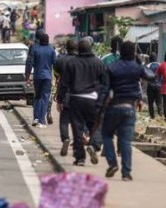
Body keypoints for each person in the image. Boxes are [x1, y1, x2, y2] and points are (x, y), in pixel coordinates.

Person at [101, 42, 156, 181]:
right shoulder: (137, 68)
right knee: (125, 141)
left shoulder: (111, 67)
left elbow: (105, 89)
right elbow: (151, 76)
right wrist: (139, 64)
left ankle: (112, 163)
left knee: (107, 135)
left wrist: (99, 107)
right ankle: (126, 173)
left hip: (113, 107)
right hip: (130, 108)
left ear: (120, 51)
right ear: (133, 53)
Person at [62, 38, 107, 166]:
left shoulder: (71, 63)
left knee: (77, 129)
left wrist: (60, 99)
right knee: (98, 125)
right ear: (91, 48)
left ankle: (80, 157)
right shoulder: (99, 63)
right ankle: (94, 145)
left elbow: (64, 83)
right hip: (93, 100)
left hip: (75, 99)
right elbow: (105, 84)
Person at [25, 32, 56, 127]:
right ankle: (41, 120)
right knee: (45, 98)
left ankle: (36, 118)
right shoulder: (51, 50)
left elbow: (29, 63)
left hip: (37, 76)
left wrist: (27, 76)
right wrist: (58, 78)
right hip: (47, 77)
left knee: (37, 97)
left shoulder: (34, 48)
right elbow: (55, 64)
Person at [54, 39, 77, 156]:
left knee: (64, 120)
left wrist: (59, 99)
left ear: (66, 48)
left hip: (66, 96)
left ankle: (65, 138)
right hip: (79, 96)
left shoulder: (61, 60)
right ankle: (78, 143)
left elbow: (58, 77)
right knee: (77, 122)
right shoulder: (81, 61)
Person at [145, 52, 162, 120]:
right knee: (159, 101)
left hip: (150, 86)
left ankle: (152, 117)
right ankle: (160, 116)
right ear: (156, 58)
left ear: (150, 58)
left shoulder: (148, 65)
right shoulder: (160, 65)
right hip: (159, 86)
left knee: (150, 102)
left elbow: (145, 76)